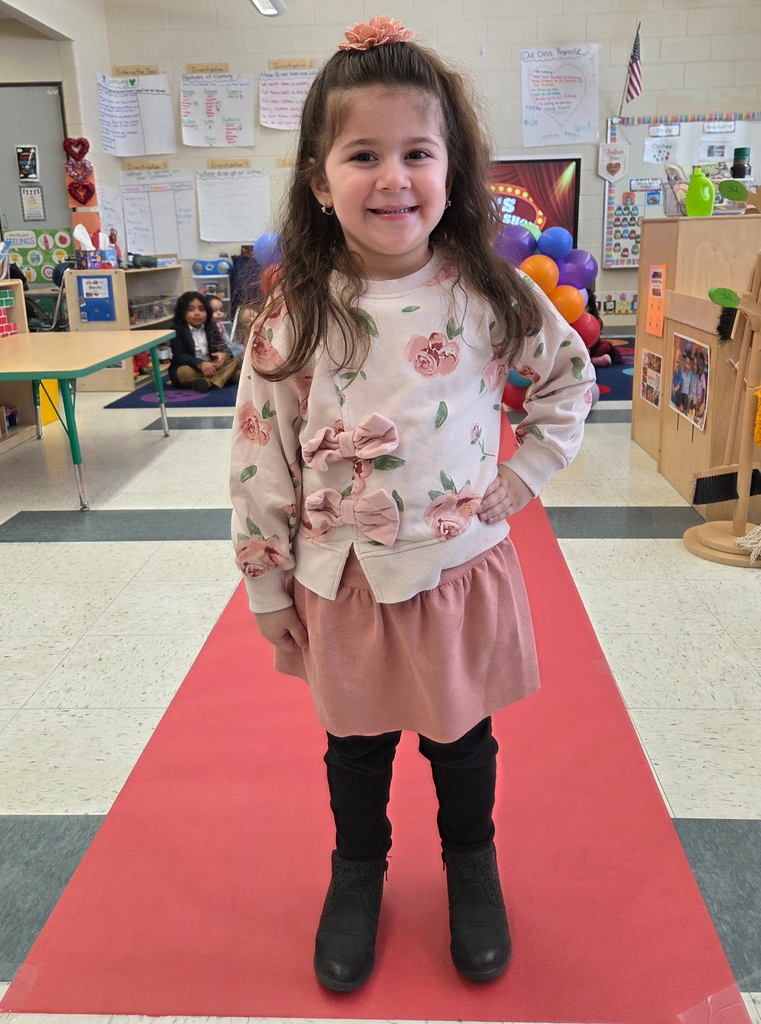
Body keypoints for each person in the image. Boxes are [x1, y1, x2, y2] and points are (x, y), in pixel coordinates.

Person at [229, 15, 595, 994]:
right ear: (320, 181)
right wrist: (268, 591)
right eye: (362, 155)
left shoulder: (488, 294)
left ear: (451, 167)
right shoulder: (294, 313)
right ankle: (357, 871)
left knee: (459, 734)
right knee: (352, 742)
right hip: (341, 578)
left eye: (415, 153)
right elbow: (259, 462)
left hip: (448, 569)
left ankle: (469, 866)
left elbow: (567, 382)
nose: (392, 177)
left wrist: (521, 476)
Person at [169, 291, 240, 392]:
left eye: (201, 309)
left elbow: (223, 348)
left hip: (212, 365)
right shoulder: (177, 329)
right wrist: (200, 364)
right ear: (182, 312)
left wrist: (222, 354)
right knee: (183, 372)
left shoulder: (211, 326)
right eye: (191, 309)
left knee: (236, 360)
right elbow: (180, 356)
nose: (197, 313)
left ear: (207, 311)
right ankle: (226, 377)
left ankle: (208, 382)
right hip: (192, 367)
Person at [585, 289, 623, 367]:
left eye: (584, 306)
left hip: (590, 348)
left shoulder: (595, 320)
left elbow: (594, 341)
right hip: (576, 348)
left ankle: (591, 361)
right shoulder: (573, 318)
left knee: (606, 346)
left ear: (590, 307)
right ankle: (591, 361)